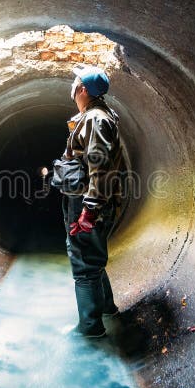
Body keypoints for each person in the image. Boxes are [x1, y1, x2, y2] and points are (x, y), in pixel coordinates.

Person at [60, 65, 123, 338]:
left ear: (83, 89)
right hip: (90, 200)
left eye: (76, 82)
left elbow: (99, 165)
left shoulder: (96, 119)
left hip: (88, 202)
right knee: (94, 257)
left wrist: (89, 210)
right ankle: (107, 308)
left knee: (84, 261)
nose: (72, 86)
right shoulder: (95, 116)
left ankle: (90, 327)